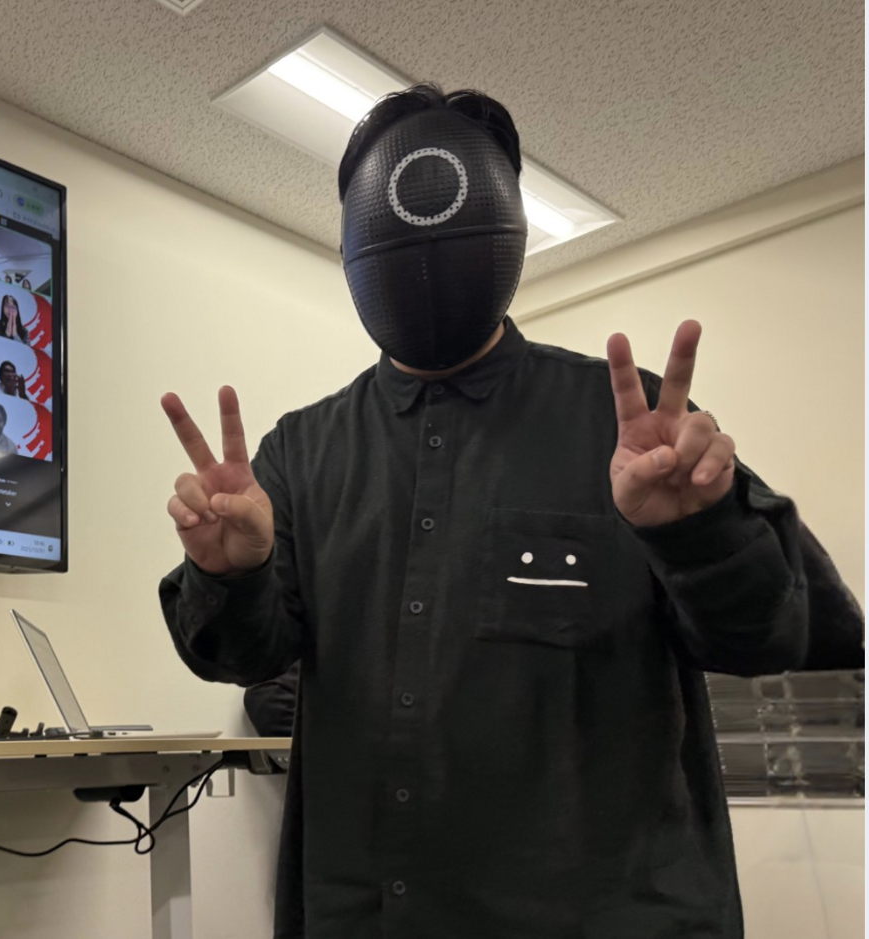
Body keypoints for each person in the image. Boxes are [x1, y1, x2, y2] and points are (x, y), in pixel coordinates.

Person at [157, 83, 862, 939]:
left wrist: (698, 534)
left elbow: (781, 636)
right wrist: (230, 574)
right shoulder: (300, 454)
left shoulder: (633, 432)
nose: (424, 238)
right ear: (353, 241)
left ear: (507, 222)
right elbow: (243, 657)